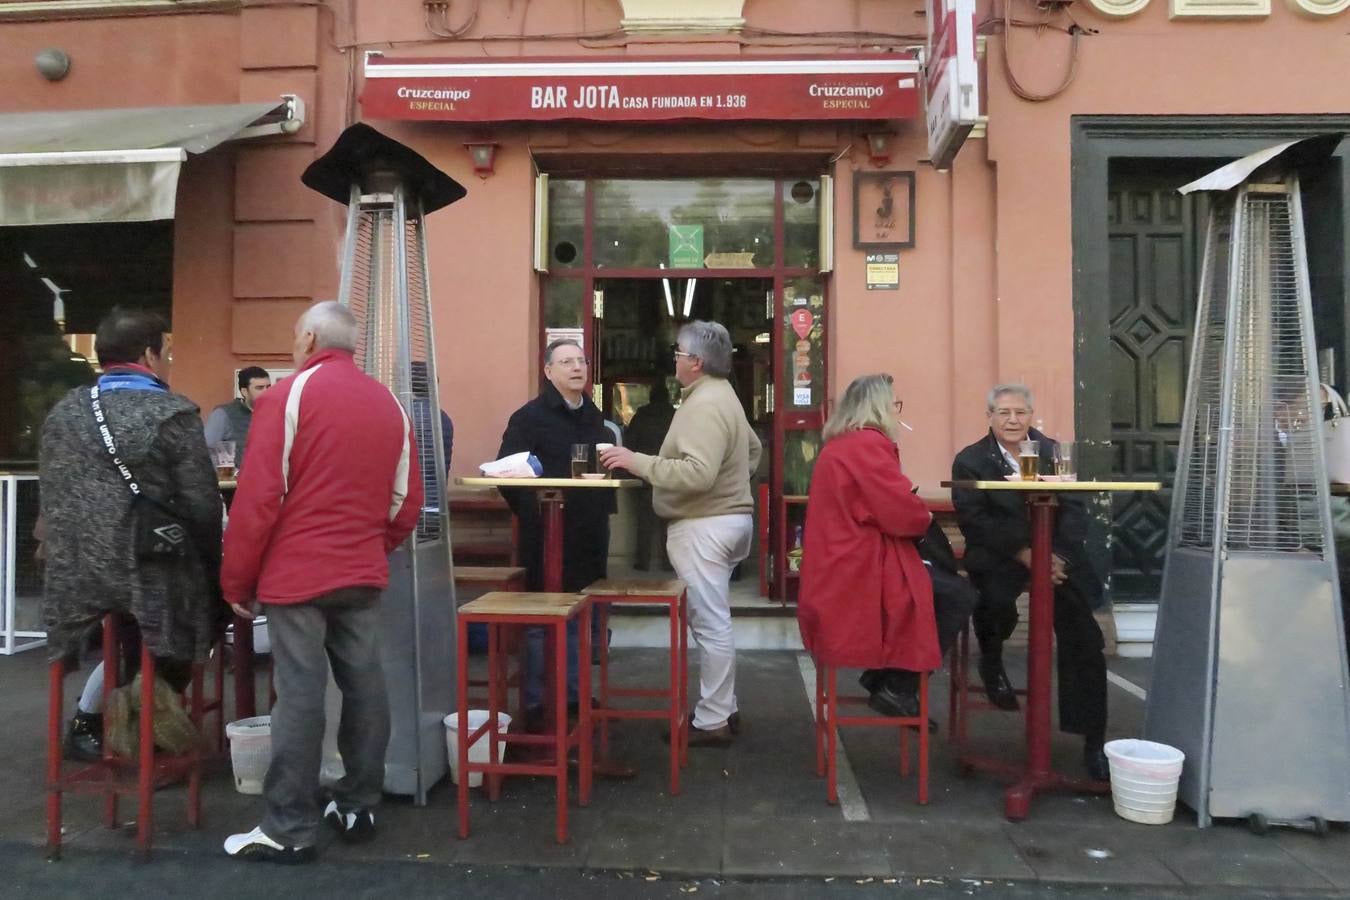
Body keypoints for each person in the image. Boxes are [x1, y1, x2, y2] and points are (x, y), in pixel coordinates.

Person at [222, 301, 422, 863]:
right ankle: (359, 803)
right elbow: (408, 501)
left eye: (294, 336)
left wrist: (237, 579)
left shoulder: (286, 397)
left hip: (295, 575)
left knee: (300, 697)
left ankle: (289, 826)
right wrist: (370, 543)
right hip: (360, 569)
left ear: (309, 338)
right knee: (365, 685)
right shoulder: (388, 403)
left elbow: (258, 499)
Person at [39, 309, 222, 761]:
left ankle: (100, 716)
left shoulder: (62, 414)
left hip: (74, 579)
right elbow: (202, 507)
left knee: (128, 629)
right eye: (168, 353)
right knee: (205, 610)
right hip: (147, 572)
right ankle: (147, 710)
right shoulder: (172, 414)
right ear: (148, 355)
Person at [601, 321, 759, 747]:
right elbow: (753, 451)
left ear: (695, 362)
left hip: (704, 524)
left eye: (678, 353)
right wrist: (734, 486)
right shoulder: (724, 396)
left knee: (710, 624)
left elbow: (697, 473)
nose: (673, 359)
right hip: (726, 520)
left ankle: (712, 720)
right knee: (715, 621)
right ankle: (722, 708)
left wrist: (637, 462)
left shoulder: (704, 403)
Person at [951, 382, 1109, 780]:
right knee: (993, 602)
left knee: (1085, 637)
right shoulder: (971, 460)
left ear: (1031, 417)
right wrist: (1027, 554)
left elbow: (1074, 511)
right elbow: (976, 521)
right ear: (989, 417)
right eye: (1004, 413)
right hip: (1004, 556)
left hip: (1054, 557)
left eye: (1020, 413)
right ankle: (991, 660)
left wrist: (1054, 557)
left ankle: (1093, 739)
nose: (1012, 420)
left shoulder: (1054, 453)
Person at [798, 374, 972, 717]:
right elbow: (903, 516)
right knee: (957, 594)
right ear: (878, 407)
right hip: (859, 570)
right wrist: (920, 515)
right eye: (894, 403)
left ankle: (887, 679)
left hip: (840, 566)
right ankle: (897, 685)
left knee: (942, 589)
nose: (896, 410)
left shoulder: (842, 444)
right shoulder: (867, 445)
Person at [497, 338, 614, 729]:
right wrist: (535, 516)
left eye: (581, 361)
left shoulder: (596, 417)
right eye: (566, 362)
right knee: (541, 620)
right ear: (548, 371)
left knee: (585, 616)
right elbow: (507, 473)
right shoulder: (528, 418)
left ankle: (576, 698)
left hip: (589, 533)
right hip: (545, 535)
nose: (576, 368)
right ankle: (538, 704)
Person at [625, 379, 676, 571]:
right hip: (668, 472)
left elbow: (630, 441)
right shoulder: (674, 416)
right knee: (668, 521)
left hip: (644, 473)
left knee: (644, 521)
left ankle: (642, 561)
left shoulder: (641, 416)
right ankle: (668, 562)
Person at [204, 365, 271, 472]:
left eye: (268, 387)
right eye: (259, 388)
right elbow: (206, 449)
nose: (266, 392)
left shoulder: (276, 413)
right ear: (244, 391)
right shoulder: (224, 414)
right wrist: (231, 472)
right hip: (235, 484)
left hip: (269, 481)